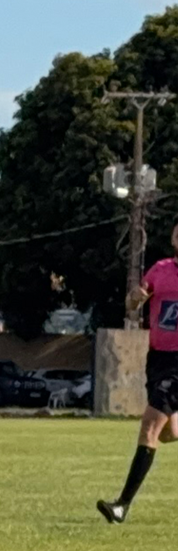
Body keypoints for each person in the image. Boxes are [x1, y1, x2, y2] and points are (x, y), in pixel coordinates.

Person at [97, 221, 178, 524]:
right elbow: (132, 303)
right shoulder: (160, 269)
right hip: (156, 360)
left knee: (149, 428)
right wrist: (135, 297)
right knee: (170, 432)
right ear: (172, 236)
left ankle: (122, 505)